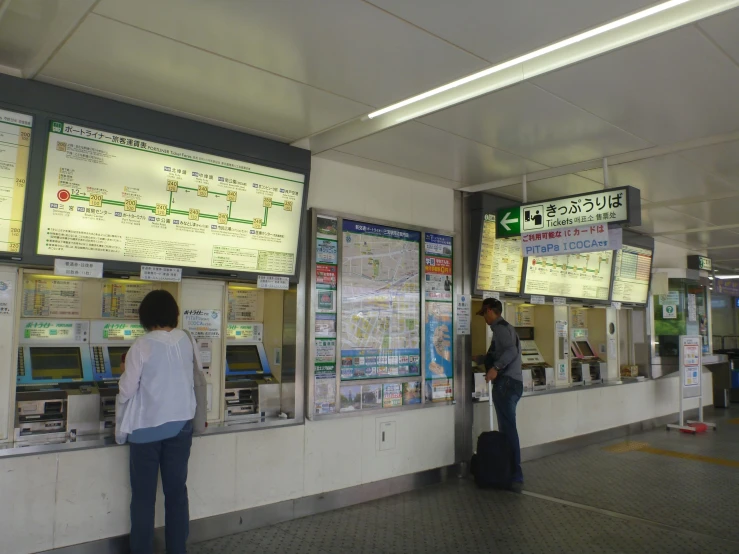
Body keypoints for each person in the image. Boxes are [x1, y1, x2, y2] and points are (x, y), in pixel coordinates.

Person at [119, 290, 197, 554]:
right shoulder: (187, 340)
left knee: (143, 499)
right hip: (181, 425)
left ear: (146, 316)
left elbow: (127, 391)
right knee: (176, 494)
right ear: (173, 314)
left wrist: (122, 375)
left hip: (146, 429)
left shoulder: (142, 345)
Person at [477, 297, 524, 488]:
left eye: (484, 314)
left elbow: (511, 351)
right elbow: (502, 352)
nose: (484, 319)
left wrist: (495, 368)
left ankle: (515, 472)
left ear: (490, 310)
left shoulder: (500, 328)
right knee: (507, 428)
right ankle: (511, 470)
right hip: (512, 383)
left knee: (508, 429)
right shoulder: (505, 328)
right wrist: (480, 359)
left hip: (507, 384)